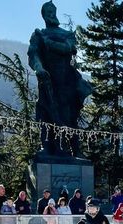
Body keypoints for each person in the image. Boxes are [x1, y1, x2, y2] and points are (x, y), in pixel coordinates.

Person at [28, 1, 92, 157]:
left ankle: (74, 149)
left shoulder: (66, 34)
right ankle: (48, 147)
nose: (51, 14)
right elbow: (33, 54)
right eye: (47, 11)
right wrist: (39, 68)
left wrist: (49, 42)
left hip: (67, 80)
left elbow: (69, 48)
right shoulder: (38, 35)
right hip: (48, 80)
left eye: (53, 11)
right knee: (46, 113)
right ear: (43, 15)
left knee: (69, 115)